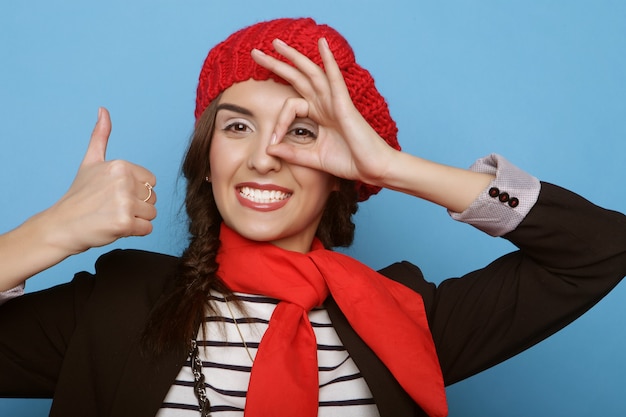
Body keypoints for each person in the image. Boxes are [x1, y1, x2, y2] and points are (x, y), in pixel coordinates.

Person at [1, 17, 625, 417]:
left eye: (301, 131)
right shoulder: (116, 303)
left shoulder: (407, 318)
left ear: (340, 172)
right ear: (207, 158)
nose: (265, 157)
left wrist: (394, 167)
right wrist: (51, 233)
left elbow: (600, 247)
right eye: (238, 126)